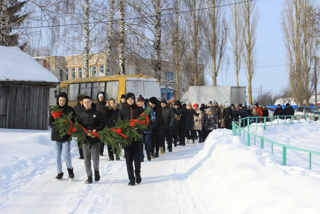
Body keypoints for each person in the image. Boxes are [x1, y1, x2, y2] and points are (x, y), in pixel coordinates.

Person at [77, 96, 105, 184]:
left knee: (95, 157)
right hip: (85, 139)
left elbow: (102, 124)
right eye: (84, 102)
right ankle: (89, 176)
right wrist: (86, 132)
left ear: (91, 102)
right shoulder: (81, 114)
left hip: (95, 138)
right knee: (87, 159)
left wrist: (95, 130)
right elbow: (79, 126)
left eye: (88, 102)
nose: (86, 104)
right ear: (82, 103)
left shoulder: (97, 113)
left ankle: (96, 170)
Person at [119, 92, 144, 186]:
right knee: (128, 159)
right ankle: (131, 179)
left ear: (134, 100)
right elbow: (119, 122)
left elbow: (144, 122)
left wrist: (139, 127)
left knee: (137, 159)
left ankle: (137, 173)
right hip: (127, 138)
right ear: (126, 100)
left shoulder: (139, 109)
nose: (130, 100)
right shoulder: (122, 110)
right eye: (129, 99)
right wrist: (123, 129)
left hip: (137, 137)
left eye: (132, 99)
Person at [49, 92, 76, 180]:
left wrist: (71, 127)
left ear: (66, 100)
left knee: (65, 154)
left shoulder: (70, 110)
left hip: (66, 135)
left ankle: (70, 170)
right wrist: (55, 127)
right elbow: (50, 122)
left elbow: (74, 121)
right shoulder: (54, 109)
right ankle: (59, 172)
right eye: (60, 100)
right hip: (56, 135)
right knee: (57, 155)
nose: (61, 102)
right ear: (58, 100)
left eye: (63, 100)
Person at [137, 95, 155, 161]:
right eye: (139, 102)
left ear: (144, 102)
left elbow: (153, 117)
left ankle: (148, 154)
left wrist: (149, 122)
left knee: (148, 143)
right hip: (139, 130)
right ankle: (141, 157)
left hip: (147, 129)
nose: (140, 103)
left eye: (142, 101)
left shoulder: (148, 108)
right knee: (140, 144)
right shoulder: (136, 109)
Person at [96, 92, 109, 157]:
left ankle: (101, 151)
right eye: (99, 97)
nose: (101, 98)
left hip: (104, 123)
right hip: (97, 123)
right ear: (98, 98)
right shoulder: (96, 104)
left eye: (102, 97)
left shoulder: (106, 104)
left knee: (102, 138)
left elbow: (108, 113)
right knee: (97, 137)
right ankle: (97, 150)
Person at [74, 94, 85, 159]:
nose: (81, 101)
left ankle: (86, 153)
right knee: (79, 141)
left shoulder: (87, 106)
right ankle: (81, 154)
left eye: (82, 100)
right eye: (80, 100)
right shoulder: (76, 107)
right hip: (78, 126)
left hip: (86, 126)